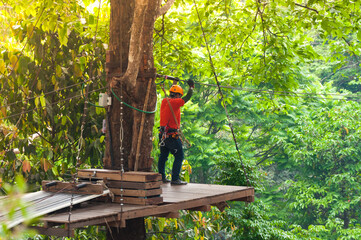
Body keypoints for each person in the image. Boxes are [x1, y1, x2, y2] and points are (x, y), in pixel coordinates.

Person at [158, 80, 194, 185]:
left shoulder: (165, 101)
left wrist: (175, 82)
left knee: (163, 156)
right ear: (177, 95)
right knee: (179, 156)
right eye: (179, 95)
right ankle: (175, 179)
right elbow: (187, 98)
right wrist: (191, 87)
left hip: (163, 134)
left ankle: (161, 177)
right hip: (171, 136)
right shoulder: (175, 102)